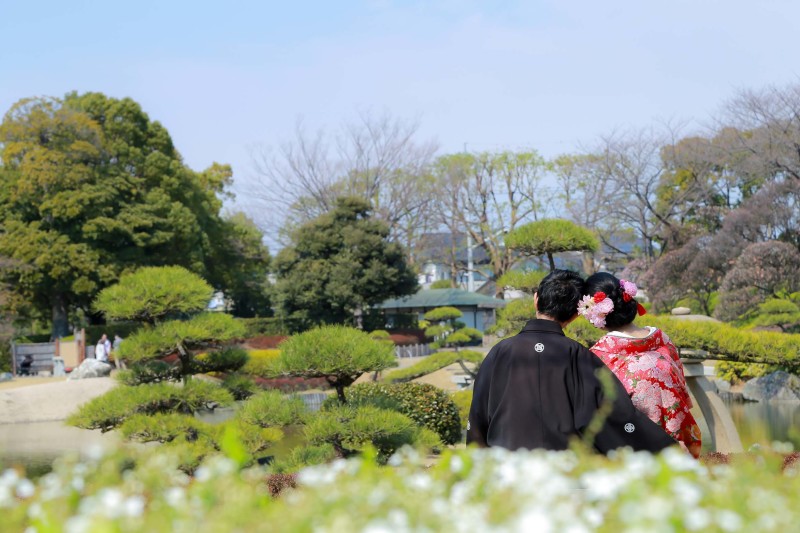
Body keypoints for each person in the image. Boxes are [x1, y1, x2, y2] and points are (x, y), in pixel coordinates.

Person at [467, 269, 676, 454]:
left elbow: (478, 416)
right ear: (577, 314)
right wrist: (665, 448)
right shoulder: (580, 356)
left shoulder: (499, 352)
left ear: (536, 299)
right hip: (565, 470)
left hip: (505, 469)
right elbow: (613, 414)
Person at [579, 272, 702, 458]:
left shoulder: (600, 355)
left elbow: (599, 414)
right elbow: (681, 389)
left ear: (595, 315)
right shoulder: (661, 339)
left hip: (637, 447)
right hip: (679, 442)